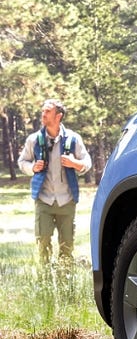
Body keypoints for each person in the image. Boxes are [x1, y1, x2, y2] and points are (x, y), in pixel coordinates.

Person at [18, 98, 93, 266]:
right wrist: (33, 168)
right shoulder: (34, 140)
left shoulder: (73, 139)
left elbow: (87, 162)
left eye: (47, 111)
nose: (43, 114)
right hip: (43, 199)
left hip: (66, 200)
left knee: (67, 245)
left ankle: (64, 281)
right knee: (42, 242)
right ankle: (44, 282)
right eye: (43, 111)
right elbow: (22, 162)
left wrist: (74, 163)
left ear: (58, 116)